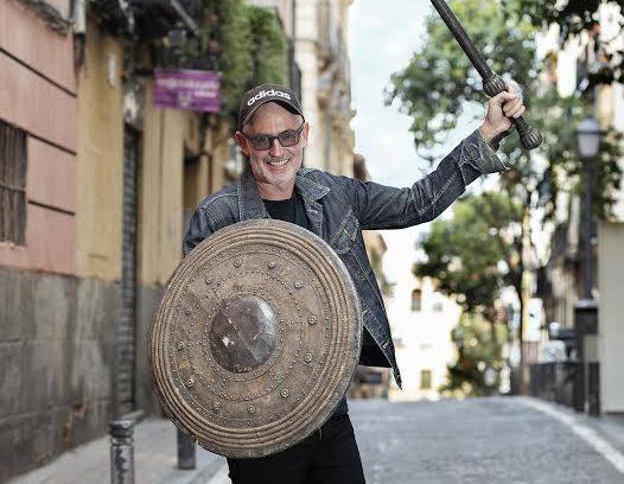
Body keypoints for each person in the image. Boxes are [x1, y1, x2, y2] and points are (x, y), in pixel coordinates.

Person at [183, 82, 525, 484]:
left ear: (305, 134)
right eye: (263, 140)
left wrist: (487, 132)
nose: (277, 151)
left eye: (288, 136)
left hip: (329, 412)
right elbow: (193, 326)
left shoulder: (335, 195)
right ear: (244, 143)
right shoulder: (217, 217)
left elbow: (418, 203)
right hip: (259, 423)